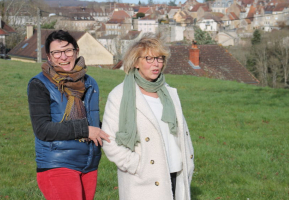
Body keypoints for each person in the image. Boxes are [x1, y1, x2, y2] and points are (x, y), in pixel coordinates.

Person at [102, 34, 194, 200]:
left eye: (159, 58)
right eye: (149, 58)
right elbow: (109, 141)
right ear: (136, 62)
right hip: (143, 178)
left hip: (175, 170)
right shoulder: (119, 95)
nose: (156, 64)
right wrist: (137, 165)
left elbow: (181, 134)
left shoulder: (169, 92)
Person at [27, 30, 110, 200]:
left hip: (89, 164)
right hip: (57, 164)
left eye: (67, 50)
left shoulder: (89, 82)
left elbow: (93, 121)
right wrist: (85, 130)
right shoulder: (39, 84)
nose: (63, 57)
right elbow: (43, 130)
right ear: (49, 57)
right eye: (56, 52)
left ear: (76, 51)